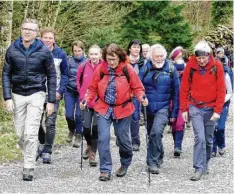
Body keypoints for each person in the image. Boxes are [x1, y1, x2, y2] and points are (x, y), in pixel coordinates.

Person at [80, 43, 148, 181]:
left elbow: (138, 88)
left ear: (120, 57)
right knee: (103, 138)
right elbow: (92, 88)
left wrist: (142, 98)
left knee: (123, 140)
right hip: (104, 107)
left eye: (114, 59)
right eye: (108, 59)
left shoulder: (127, 69)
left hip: (122, 108)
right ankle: (105, 170)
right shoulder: (101, 68)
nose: (111, 62)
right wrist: (86, 99)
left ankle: (125, 163)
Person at [2, 18, 56, 181]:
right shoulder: (12, 49)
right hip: (17, 94)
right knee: (20, 134)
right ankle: (33, 151)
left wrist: (51, 100)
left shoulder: (44, 51)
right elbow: (6, 74)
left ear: (36, 33)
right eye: (24, 28)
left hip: (36, 94)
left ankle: (28, 166)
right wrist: (7, 97)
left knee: (31, 132)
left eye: (30, 29)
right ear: (21, 30)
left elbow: (52, 75)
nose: (26, 31)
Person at [180, 40, 226, 181]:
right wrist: (184, 109)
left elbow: (221, 90)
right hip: (195, 107)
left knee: (208, 139)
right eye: (198, 58)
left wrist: (218, 111)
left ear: (209, 55)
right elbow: (184, 88)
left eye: (203, 57)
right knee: (199, 138)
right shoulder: (190, 66)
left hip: (211, 108)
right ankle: (198, 168)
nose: (201, 61)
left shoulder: (217, 66)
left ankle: (205, 164)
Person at [139, 44, 180, 174]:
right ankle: (159, 154)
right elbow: (138, 88)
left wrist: (174, 113)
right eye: (157, 56)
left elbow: (176, 93)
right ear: (151, 56)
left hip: (163, 108)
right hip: (148, 108)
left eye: (162, 56)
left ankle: (152, 162)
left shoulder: (171, 69)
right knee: (152, 135)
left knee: (156, 132)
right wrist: (140, 102)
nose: (159, 58)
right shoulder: (145, 68)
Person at [37, 27, 69, 163]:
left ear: (54, 39)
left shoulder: (60, 54)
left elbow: (66, 74)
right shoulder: (35, 51)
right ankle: (43, 142)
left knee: (50, 123)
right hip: (36, 92)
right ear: (41, 37)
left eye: (50, 38)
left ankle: (47, 151)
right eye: (45, 37)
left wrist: (60, 91)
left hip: (53, 93)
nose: (48, 40)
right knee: (36, 122)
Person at [76, 45, 102, 166]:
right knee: (86, 127)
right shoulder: (83, 66)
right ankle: (89, 145)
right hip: (85, 101)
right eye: (91, 54)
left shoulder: (104, 67)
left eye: (96, 54)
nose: (93, 56)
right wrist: (81, 94)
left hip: (99, 103)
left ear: (100, 55)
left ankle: (93, 153)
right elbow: (78, 81)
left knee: (96, 128)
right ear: (88, 55)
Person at [212, 47, 233, 157]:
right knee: (212, 127)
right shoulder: (208, 76)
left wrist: (222, 100)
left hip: (223, 104)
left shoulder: (226, 75)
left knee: (220, 127)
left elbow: (229, 91)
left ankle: (221, 144)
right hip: (211, 104)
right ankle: (213, 148)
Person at [65, 40, 86, 147]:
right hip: (70, 90)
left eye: (79, 51)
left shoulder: (87, 62)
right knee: (69, 115)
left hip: (81, 93)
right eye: (75, 51)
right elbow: (65, 75)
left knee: (79, 115)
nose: (77, 53)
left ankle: (79, 134)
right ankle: (71, 129)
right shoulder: (68, 61)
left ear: (83, 50)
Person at [127, 39, 145, 151]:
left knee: (135, 117)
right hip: (124, 93)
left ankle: (135, 141)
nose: (136, 49)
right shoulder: (123, 61)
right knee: (122, 116)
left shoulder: (143, 63)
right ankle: (122, 139)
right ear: (129, 48)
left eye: (138, 47)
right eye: (134, 47)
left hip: (136, 94)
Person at [169, 46, 186, 157]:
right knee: (174, 125)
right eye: (178, 56)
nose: (180, 58)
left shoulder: (187, 69)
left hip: (183, 101)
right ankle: (176, 143)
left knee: (180, 123)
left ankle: (178, 146)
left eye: (181, 56)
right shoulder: (170, 69)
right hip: (170, 100)